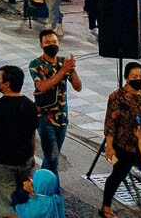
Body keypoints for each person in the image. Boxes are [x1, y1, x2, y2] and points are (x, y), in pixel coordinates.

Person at [0, 65, 38, 218]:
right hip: (25, 161)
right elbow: (32, 135)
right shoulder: (30, 105)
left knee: (8, 206)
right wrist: (31, 158)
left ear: (6, 84)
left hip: (2, 163)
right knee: (22, 200)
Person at [101, 61, 141, 218]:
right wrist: (110, 146)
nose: (138, 79)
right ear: (126, 78)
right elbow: (110, 123)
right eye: (134, 76)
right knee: (118, 175)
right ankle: (106, 207)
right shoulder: (116, 97)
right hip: (125, 145)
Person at [29, 28, 81, 175]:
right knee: (52, 156)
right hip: (45, 116)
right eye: (47, 42)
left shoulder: (63, 62)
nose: (51, 45)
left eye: (54, 42)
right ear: (41, 45)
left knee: (53, 156)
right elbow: (43, 86)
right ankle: (52, 191)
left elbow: (78, 87)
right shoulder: (36, 64)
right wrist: (63, 71)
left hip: (62, 116)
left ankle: (44, 186)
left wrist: (73, 70)